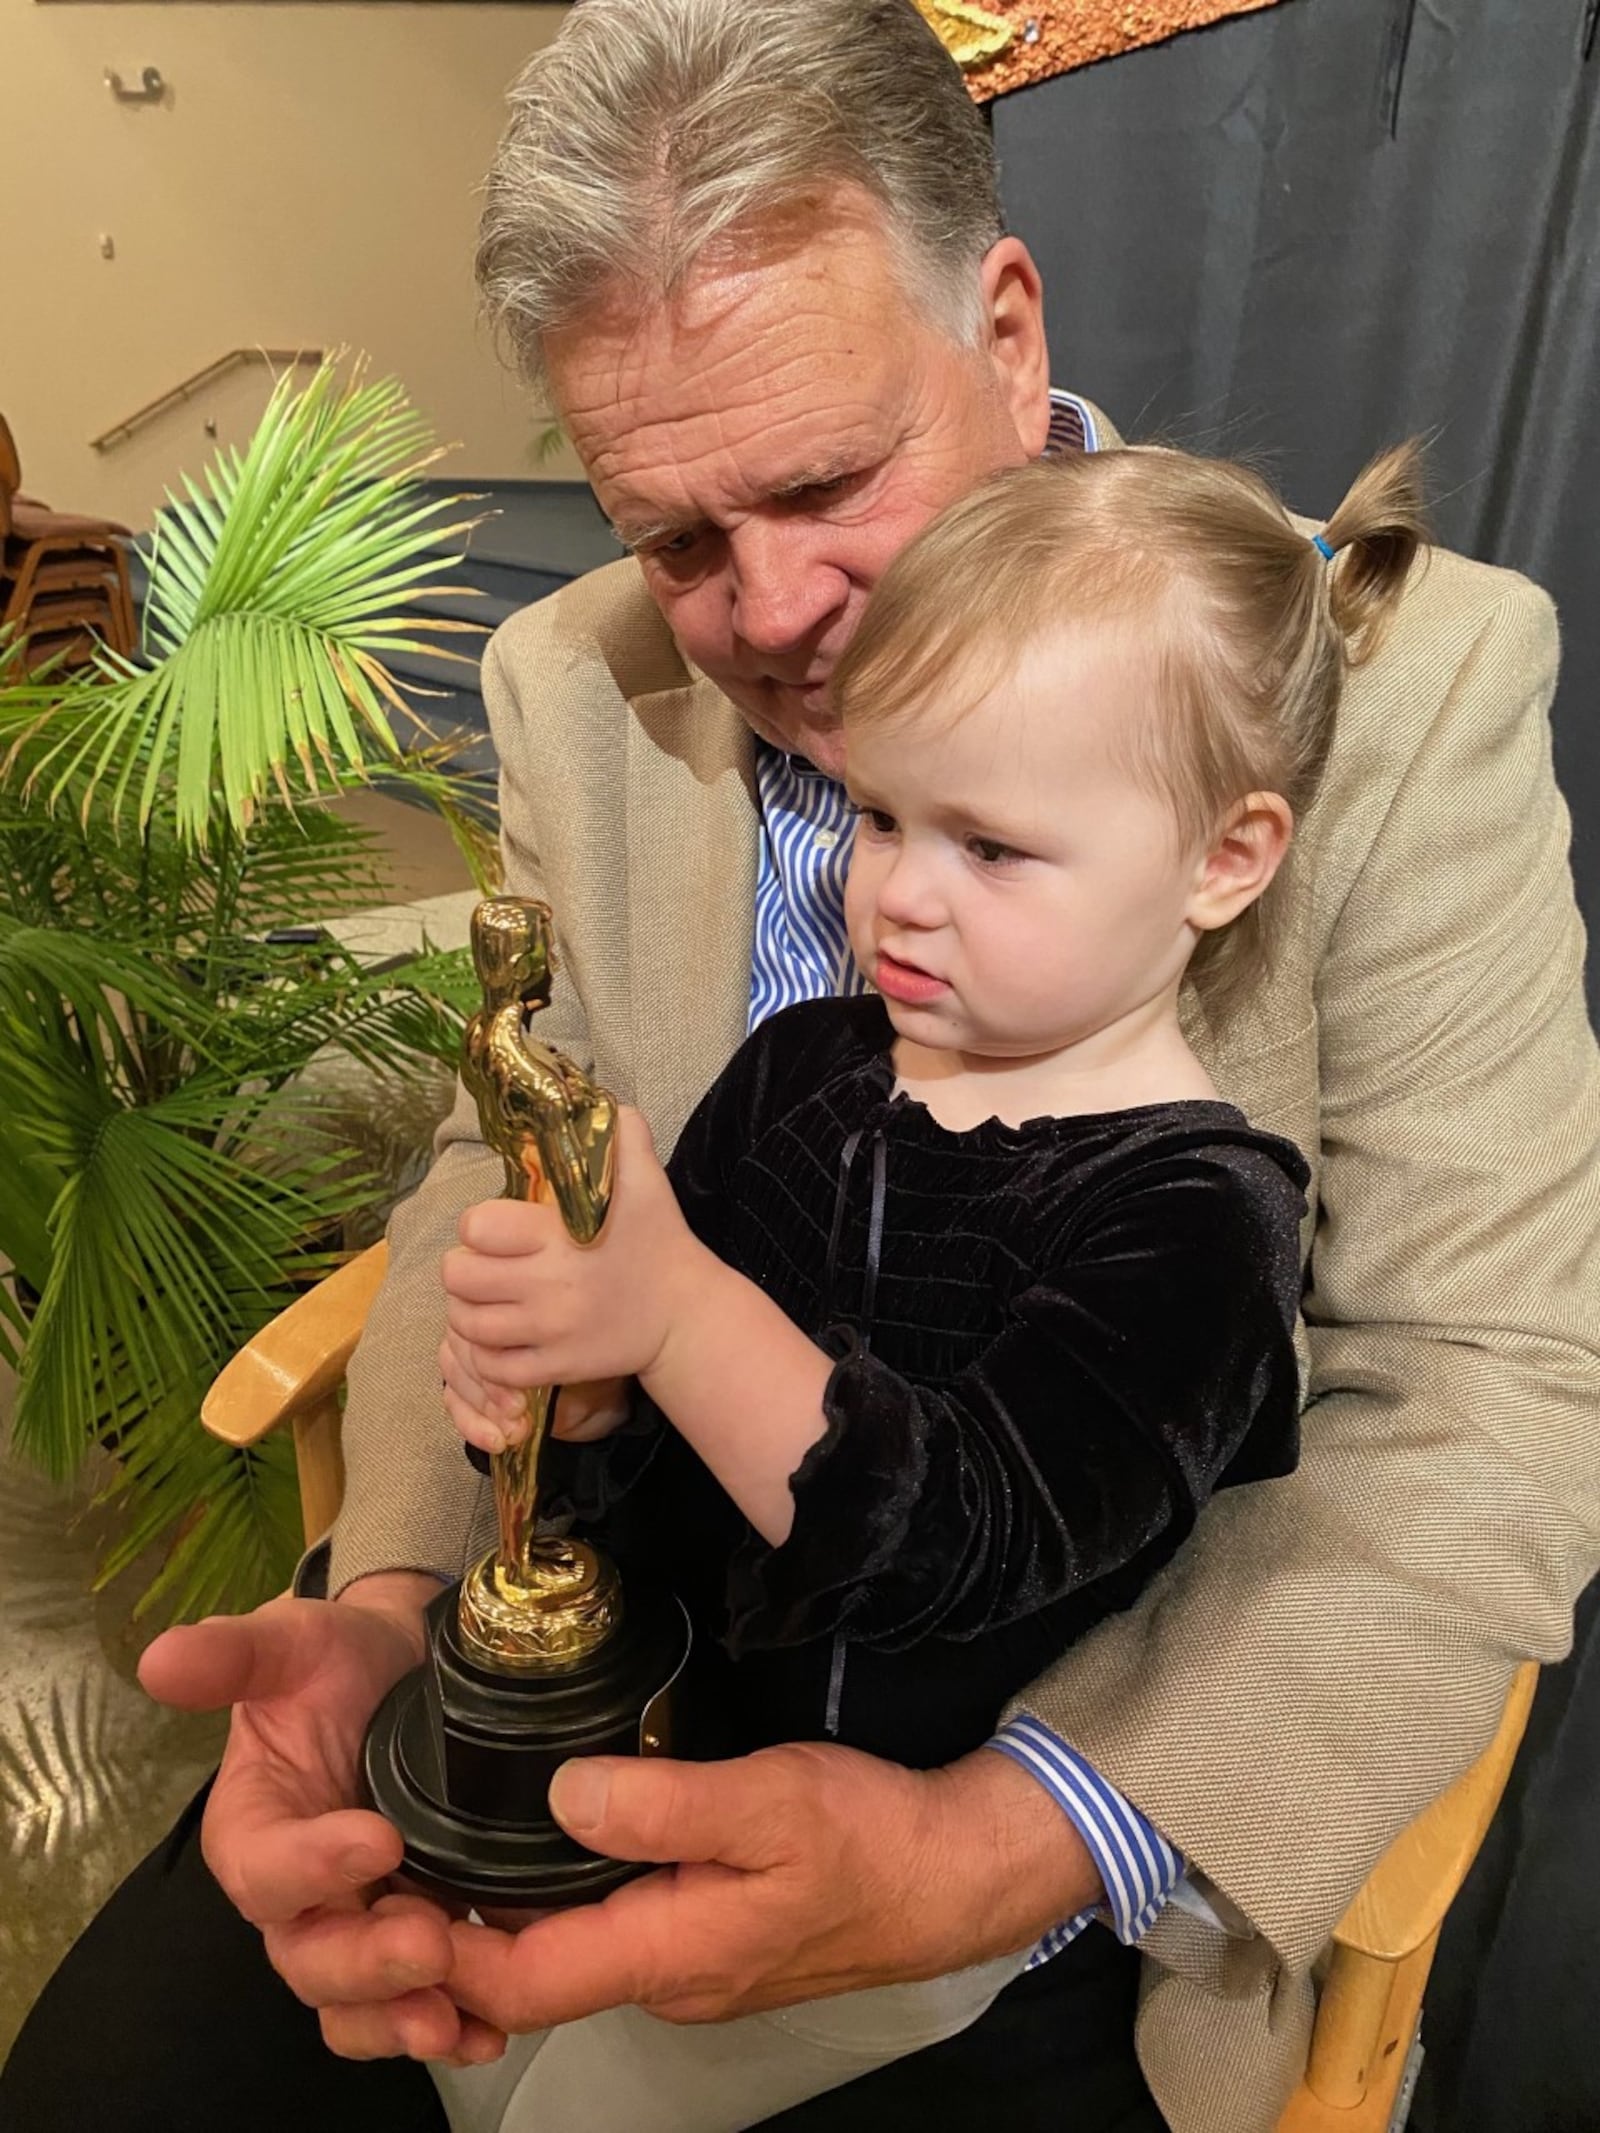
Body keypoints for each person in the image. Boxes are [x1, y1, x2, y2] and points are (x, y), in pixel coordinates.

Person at [5, 3, 1596, 2131]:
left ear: (1006, 325)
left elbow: (1490, 1388)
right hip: (588, 1676)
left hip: (1057, 1790)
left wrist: (1008, 1839)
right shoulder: (573, 678)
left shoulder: (1397, 689)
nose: (771, 615)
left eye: (829, 480)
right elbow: (506, 1158)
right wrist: (401, 1607)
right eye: (668, 533)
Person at [429, 439, 1421, 2132]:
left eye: (994, 847)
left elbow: (954, 1541)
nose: (900, 893)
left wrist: (670, 1313)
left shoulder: (1201, 1219)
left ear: (1226, 857)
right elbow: (670, 1488)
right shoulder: (809, 1063)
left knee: (571, 2106)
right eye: (884, 815)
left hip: (939, 1894)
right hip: (693, 1753)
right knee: (462, 2038)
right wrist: (581, 1403)